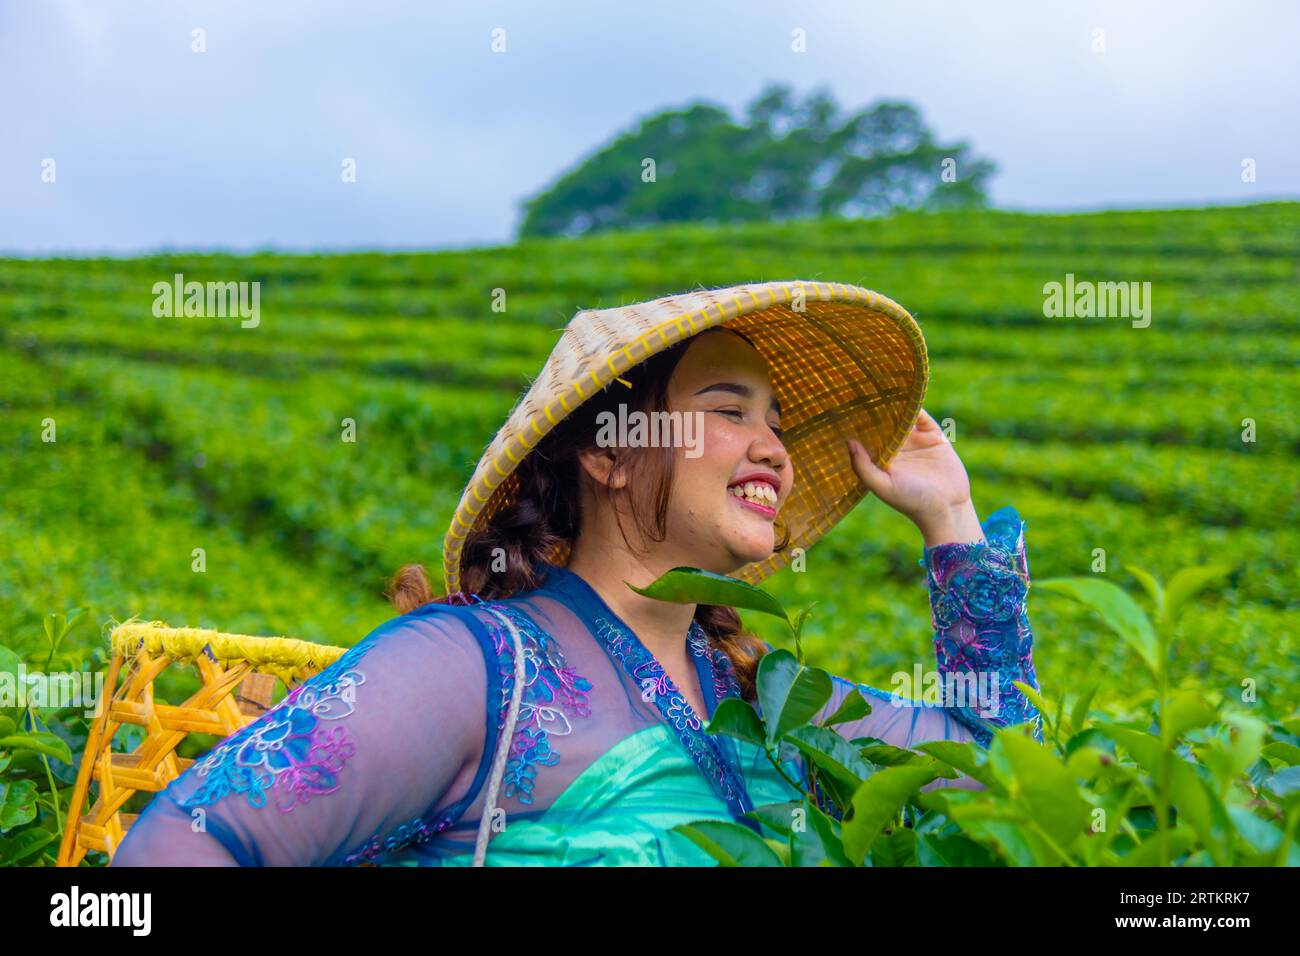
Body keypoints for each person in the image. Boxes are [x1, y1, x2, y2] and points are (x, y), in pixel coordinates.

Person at [112, 280, 1042, 867]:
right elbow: (180, 850)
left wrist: (950, 522)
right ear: (611, 452)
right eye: (729, 411)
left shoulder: (770, 702)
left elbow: (1004, 772)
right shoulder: (476, 671)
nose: (773, 449)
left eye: (778, 427)